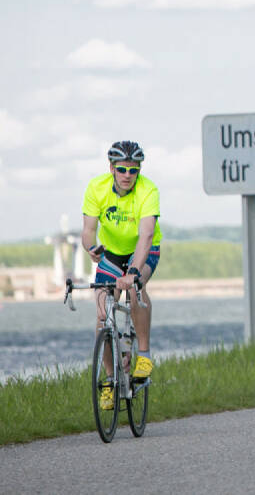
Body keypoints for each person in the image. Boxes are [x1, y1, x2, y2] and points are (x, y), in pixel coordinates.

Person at [81, 140, 162, 409]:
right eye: (123, 169)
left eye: (133, 170)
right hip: (113, 253)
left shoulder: (148, 189)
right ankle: (109, 380)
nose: (128, 175)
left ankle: (144, 355)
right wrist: (90, 248)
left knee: (136, 289)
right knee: (103, 314)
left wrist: (135, 272)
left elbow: (147, 234)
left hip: (144, 249)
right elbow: (88, 230)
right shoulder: (96, 187)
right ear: (112, 168)